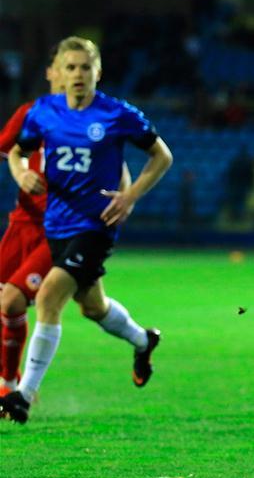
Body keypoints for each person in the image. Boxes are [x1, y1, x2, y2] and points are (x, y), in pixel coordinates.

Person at [0, 36, 173, 424]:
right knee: (93, 307)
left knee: (47, 298)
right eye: (71, 67)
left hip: (96, 225)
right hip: (56, 225)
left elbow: (162, 155)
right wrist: (21, 173)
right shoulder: (43, 112)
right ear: (58, 73)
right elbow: (17, 151)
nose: (78, 74)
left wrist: (130, 196)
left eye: (85, 67)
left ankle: (21, 395)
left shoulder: (117, 114)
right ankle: (144, 341)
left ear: (98, 72)